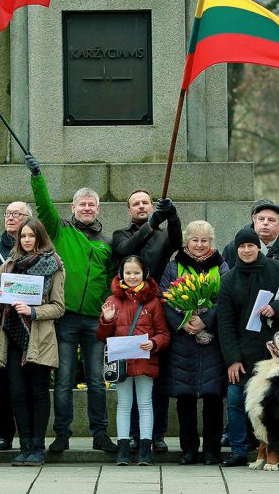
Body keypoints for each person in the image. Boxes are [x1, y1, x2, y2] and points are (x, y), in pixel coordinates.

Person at [24, 154, 118, 453]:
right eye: (82, 204)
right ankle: (61, 434)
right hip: (64, 318)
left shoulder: (106, 242)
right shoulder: (59, 229)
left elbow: (111, 279)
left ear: (98, 209)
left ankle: (100, 434)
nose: (87, 208)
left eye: (92, 205)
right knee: (63, 380)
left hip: (94, 321)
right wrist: (37, 176)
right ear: (73, 208)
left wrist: (107, 304)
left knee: (95, 379)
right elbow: (43, 207)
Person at [217, 227, 279, 467]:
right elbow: (225, 323)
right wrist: (232, 359)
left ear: (259, 247)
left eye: (251, 245)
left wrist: (277, 308)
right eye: (242, 246)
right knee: (236, 399)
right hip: (245, 353)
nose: (247, 250)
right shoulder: (228, 280)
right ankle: (239, 450)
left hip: (277, 354)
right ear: (236, 249)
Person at [0, 218, 65, 467]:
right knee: (18, 394)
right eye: (23, 236)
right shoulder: (8, 266)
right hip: (12, 337)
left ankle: (38, 447)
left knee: (39, 393)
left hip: (39, 338)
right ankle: (25, 447)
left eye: (31, 236)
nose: (27, 240)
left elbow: (58, 308)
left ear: (40, 237)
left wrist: (34, 312)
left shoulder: (53, 265)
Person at [112, 189, 182, 452]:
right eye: (136, 204)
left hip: (157, 308)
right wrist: (153, 224)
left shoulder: (163, 234)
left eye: (146, 203)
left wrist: (172, 217)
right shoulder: (121, 234)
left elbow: (176, 241)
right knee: (130, 374)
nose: (141, 206)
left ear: (153, 206)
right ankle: (131, 434)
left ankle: (157, 433)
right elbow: (127, 250)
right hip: (128, 310)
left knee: (156, 377)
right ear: (129, 210)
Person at [159, 220, 228, 466]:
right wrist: (183, 322)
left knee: (212, 398)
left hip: (212, 342)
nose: (199, 245)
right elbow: (164, 298)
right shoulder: (173, 267)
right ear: (186, 241)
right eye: (195, 240)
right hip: (183, 341)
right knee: (185, 397)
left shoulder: (221, 266)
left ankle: (212, 450)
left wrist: (205, 320)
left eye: (204, 240)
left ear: (211, 242)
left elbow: (227, 299)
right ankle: (188, 449)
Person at [97, 255, 171, 466]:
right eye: (128, 273)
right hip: (121, 363)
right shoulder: (112, 301)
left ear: (144, 274)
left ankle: (145, 451)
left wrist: (154, 343)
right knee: (124, 404)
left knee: (145, 403)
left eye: (136, 273)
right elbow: (102, 336)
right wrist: (107, 320)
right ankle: (123, 450)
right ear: (121, 274)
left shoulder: (153, 302)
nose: (132, 277)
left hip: (145, 361)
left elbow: (164, 333)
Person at [0, 201, 33, 452]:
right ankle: (4, 434)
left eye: (17, 214)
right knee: (3, 382)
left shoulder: (34, 246)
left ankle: (31, 436)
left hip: (29, 321)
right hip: (3, 323)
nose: (11, 218)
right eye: (8, 213)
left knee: (29, 383)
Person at [221, 199, 279, 271]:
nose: (265, 223)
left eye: (271, 220)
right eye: (261, 219)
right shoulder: (233, 248)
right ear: (254, 221)